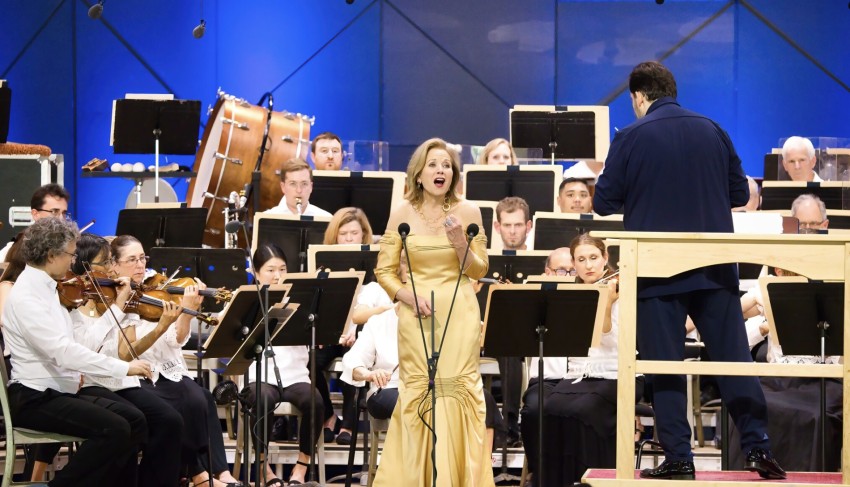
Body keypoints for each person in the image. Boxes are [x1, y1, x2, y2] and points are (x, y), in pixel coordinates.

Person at [593, 60, 785, 480]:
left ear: (638, 97)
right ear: (672, 91)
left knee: (665, 365)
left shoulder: (630, 136)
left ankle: (680, 458)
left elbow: (603, 202)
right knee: (733, 359)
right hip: (714, 266)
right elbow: (739, 193)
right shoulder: (713, 129)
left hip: (656, 272)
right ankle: (758, 448)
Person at [373, 137, 493, 486]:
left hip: (459, 316)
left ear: (453, 174)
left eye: (447, 165)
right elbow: (384, 272)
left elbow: (480, 270)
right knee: (419, 394)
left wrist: (459, 242)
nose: (441, 170)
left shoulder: (469, 212)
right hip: (416, 317)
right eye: (434, 164)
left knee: (456, 393)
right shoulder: (402, 213)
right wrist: (407, 296)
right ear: (419, 173)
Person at [3, 217, 151, 486]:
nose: (74, 261)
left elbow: (79, 345)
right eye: (71, 254)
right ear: (51, 255)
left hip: (60, 389)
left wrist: (116, 307)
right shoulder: (27, 297)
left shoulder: (52, 287)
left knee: (136, 421)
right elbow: (62, 352)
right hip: (34, 396)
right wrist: (123, 367)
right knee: (114, 429)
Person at [110, 235, 242, 487]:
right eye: (131, 260)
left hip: (167, 369)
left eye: (142, 258)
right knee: (185, 402)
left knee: (201, 397)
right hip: (137, 374)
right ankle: (199, 475)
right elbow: (127, 350)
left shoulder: (156, 288)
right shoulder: (114, 297)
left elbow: (177, 339)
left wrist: (186, 313)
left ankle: (219, 472)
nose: (140, 266)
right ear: (114, 265)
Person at [67, 233, 184, 487]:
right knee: (132, 422)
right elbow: (85, 352)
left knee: (170, 420)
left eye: (111, 262)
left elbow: (125, 353)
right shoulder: (73, 302)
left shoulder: (115, 295)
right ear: (86, 267)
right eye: (105, 263)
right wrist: (117, 307)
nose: (111, 269)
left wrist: (161, 327)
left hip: (120, 380)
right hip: (90, 383)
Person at [540, 235, 642, 486]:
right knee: (550, 409)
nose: (588, 265)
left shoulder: (623, 290)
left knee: (583, 411)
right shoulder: (573, 293)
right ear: (573, 264)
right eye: (581, 260)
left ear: (606, 258)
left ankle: (597, 480)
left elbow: (606, 339)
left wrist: (606, 303)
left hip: (617, 373)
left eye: (594, 258)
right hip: (579, 374)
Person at [239, 243, 324, 486]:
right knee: (263, 398)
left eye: (282, 269)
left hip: (296, 376)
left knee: (315, 401)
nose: (277, 276)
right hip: (259, 377)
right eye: (270, 270)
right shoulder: (246, 300)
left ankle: (301, 466)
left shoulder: (301, 299)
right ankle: (264, 467)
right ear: (255, 273)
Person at [316, 207, 375, 445]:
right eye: (344, 234)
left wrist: (355, 330)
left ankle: (348, 426)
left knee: (355, 358)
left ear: (363, 235)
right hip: (333, 329)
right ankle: (329, 416)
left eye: (354, 233)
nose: (349, 239)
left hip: (362, 331)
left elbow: (375, 308)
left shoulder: (375, 265)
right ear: (335, 237)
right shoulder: (324, 264)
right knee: (310, 359)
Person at [520, 247, 574, 484]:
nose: (570, 275)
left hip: (583, 380)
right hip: (547, 379)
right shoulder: (535, 300)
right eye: (562, 270)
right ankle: (538, 473)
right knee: (533, 410)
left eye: (573, 270)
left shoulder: (595, 295)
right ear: (548, 273)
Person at [0, 183, 70, 262]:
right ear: (35, 214)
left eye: (63, 213)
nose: (61, 218)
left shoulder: (70, 248)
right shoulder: (14, 249)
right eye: (54, 211)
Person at [264, 158, 332, 216]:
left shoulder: (326, 218)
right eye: (293, 184)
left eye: (304, 184)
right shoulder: (267, 218)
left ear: (311, 187)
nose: (299, 190)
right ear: (283, 187)